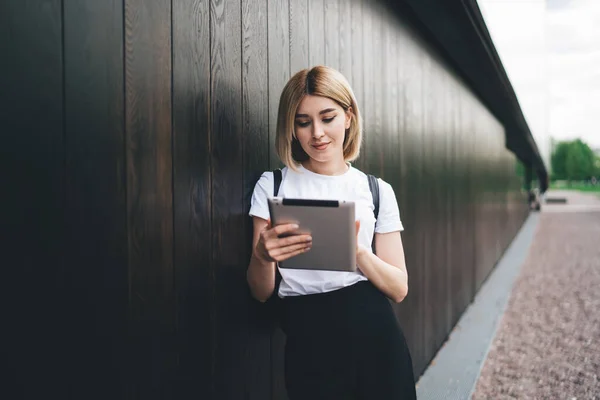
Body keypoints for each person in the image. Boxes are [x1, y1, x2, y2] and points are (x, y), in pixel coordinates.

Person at [247, 65, 416, 399]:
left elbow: (398, 288)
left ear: (348, 117)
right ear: (291, 128)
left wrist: (357, 253)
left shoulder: (375, 190)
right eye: (303, 121)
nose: (317, 133)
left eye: (328, 117)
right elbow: (260, 292)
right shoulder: (274, 185)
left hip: (375, 336)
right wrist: (262, 255)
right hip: (308, 340)